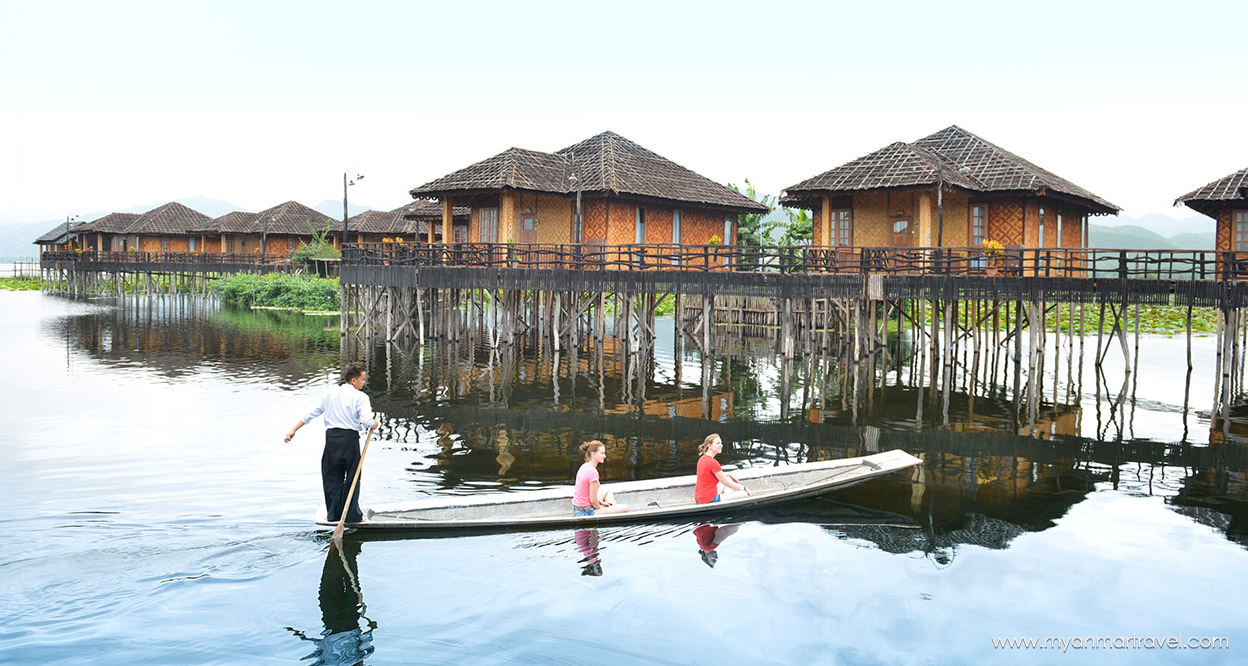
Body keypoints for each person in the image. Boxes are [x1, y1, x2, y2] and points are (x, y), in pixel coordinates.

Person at [285, 362, 379, 524]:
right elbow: (367, 421)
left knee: (331, 477)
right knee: (352, 477)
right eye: (363, 379)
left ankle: (333, 515)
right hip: (349, 441)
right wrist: (374, 424)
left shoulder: (330, 393)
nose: (364, 383)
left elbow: (312, 413)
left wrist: (293, 430)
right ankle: (351, 516)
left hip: (332, 440)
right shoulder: (361, 397)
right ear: (354, 381)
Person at [572, 440, 629, 516]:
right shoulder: (593, 472)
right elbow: (593, 500)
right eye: (602, 453)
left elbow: (587, 493)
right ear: (593, 454)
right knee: (625, 508)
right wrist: (600, 508)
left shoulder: (584, 466)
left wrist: (601, 502)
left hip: (576, 508)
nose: (604, 456)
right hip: (586, 512)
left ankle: (612, 507)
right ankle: (612, 508)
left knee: (606, 491)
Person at [694, 433, 750, 504]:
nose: (721, 445)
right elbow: (726, 483)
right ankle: (725, 501)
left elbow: (711, 476)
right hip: (708, 500)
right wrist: (744, 488)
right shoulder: (712, 462)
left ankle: (725, 499)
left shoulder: (702, 459)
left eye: (721, 443)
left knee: (729, 479)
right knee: (744, 493)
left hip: (699, 499)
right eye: (718, 443)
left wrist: (729, 474)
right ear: (709, 445)